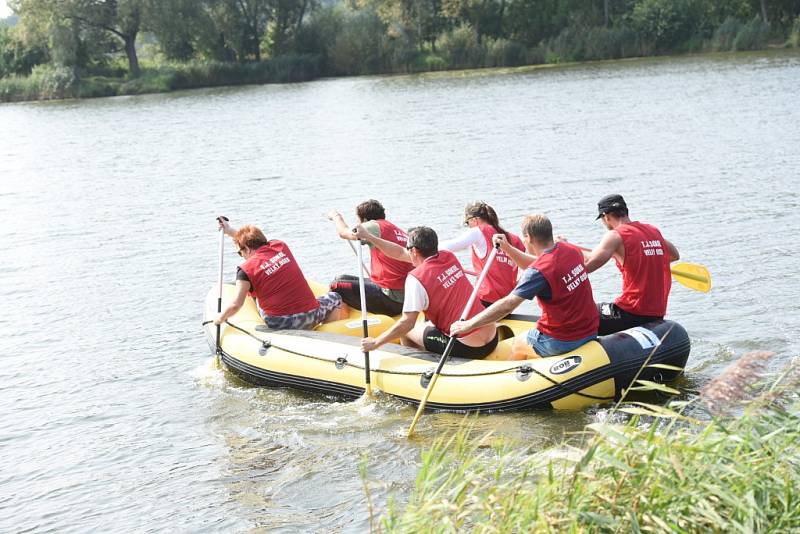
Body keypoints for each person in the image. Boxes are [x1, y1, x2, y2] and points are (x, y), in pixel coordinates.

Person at [451, 214, 598, 359]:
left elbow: (508, 305)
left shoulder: (537, 272)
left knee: (519, 342)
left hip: (561, 340)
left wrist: (469, 324)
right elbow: (542, 263)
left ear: (528, 237)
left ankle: (512, 380)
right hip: (591, 330)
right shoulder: (571, 250)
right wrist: (507, 248)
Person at [356, 226, 498, 359]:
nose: (406, 252)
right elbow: (399, 253)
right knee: (427, 322)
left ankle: (420, 370)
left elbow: (407, 324)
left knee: (408, 331)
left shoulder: (416, 278)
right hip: (493, 337)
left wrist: (375, 343)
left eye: (408, 249)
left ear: (414, 251)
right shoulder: (448, 256)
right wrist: (370, 237)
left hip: (468, 347)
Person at [569, 194, 680, 335]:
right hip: (656, 313)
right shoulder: (653, 231)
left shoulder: (615, 236)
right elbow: (674, 255)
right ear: (625, 211)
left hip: (631, 312)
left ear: (606, 216)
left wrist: (563, 248)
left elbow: (588, 264)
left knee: (579, 312)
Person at [213, 218, 348, 330]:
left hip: (279, 323)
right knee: (335, 297)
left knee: (256, 298)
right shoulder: (280, 246)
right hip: (311, 315)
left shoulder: (245, 270)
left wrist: (219, 319)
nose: (241, 256)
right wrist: (230, 231)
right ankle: (326, 332)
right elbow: (254, 241)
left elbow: (236, 304)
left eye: (240, 252)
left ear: (247, 249)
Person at [327, 199, 413, 316]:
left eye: (358, 219)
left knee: (336, 284)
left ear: (365, 220)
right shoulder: (397, 230)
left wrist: (336, 216)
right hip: (402, 295)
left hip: (392, 300)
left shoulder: (373, 226)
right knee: (341, 277)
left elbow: (344, 233)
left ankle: (332, 322)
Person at [439, 201, 526, 307]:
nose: (469, 227)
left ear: (474, 220)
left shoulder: (478, 231)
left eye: (468, 223)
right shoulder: (514, 239)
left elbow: (450, 246)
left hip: (486, 299)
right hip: (508, 301)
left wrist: (425, 248)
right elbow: (526, 268)